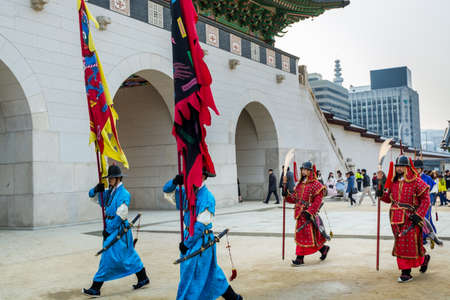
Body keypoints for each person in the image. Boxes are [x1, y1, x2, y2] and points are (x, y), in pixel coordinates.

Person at [163, 171, 243, 300]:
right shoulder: (188, 193)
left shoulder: (207, 197)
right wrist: (175, 182)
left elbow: (200, 226)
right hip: (190, 238)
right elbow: (167, 191)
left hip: (200, 241)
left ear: (204, 177)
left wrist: (186, 243)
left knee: (195, 273)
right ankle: (233, 298)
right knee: (209, 273)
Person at [83, 165, 149, 297]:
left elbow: (122, 213)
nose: (109, 180)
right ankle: (143, 277)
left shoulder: (124, 193)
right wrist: (96, 189)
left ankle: (96, 287)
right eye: (109, 178)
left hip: (118, 230)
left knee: (107, 257)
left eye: (112, 178)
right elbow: (93, 197)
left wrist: (110, 229)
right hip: (111, 228)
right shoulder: (109, 191)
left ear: (118, 178)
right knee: (128, 255)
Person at [377, 155, 431, 283]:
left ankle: (405, 272)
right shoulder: (394, 182)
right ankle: (424, 259)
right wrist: (380, 193)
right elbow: (388, 199)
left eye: (401, 166)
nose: (399, 169)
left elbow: (426, 199)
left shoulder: (417, 181)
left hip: (410, 218)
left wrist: (418, 215)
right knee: (401, 243)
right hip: (395, 218)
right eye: (397, 167)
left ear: (408, 168)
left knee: (409, 244)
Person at [283, 162, 329, 266]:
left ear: (310, 171)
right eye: (302, 169)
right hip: (299, 213)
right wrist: (286, 195)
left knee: (306, 235)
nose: (303, 171)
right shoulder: (299, 184)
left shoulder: (316, 184)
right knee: (307, 236)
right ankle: (323, 249)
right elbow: (294, 199)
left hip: (308, 214)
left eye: (305, 169)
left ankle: (300, 258)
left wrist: (310, 212)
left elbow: (318, 201)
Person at [414, 160, 437, 246]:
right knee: (417, 220)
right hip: (415, 203)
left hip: (425, 202)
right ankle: (420, 237)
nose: (417, 170)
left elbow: (433, 188)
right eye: (415, 168)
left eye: (418, 168)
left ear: (422, 169)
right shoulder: (412, 178)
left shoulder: (428, 178)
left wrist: (431, 199)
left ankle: (426, 236)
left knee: (426, 219)